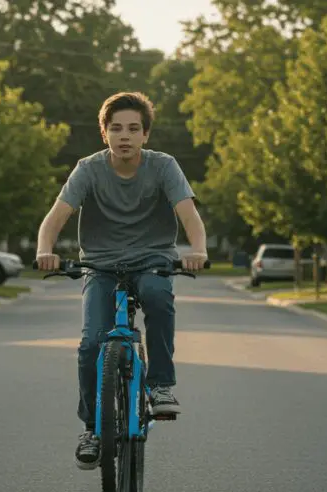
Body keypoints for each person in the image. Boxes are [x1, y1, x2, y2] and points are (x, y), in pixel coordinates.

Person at [34, 91, 209, 470]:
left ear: (145, 135)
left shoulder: (164, 167)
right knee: (90, 343)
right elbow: (56, 215)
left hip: (152, 258)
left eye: (133, 128)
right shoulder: (88, 169)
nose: (124, 136)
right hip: (100, 264)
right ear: (105, 134)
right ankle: (93, 429)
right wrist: (44, 248)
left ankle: (160, 385)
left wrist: (198, 249)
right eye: (116, 129)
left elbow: (189, 215)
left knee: (158, 297)